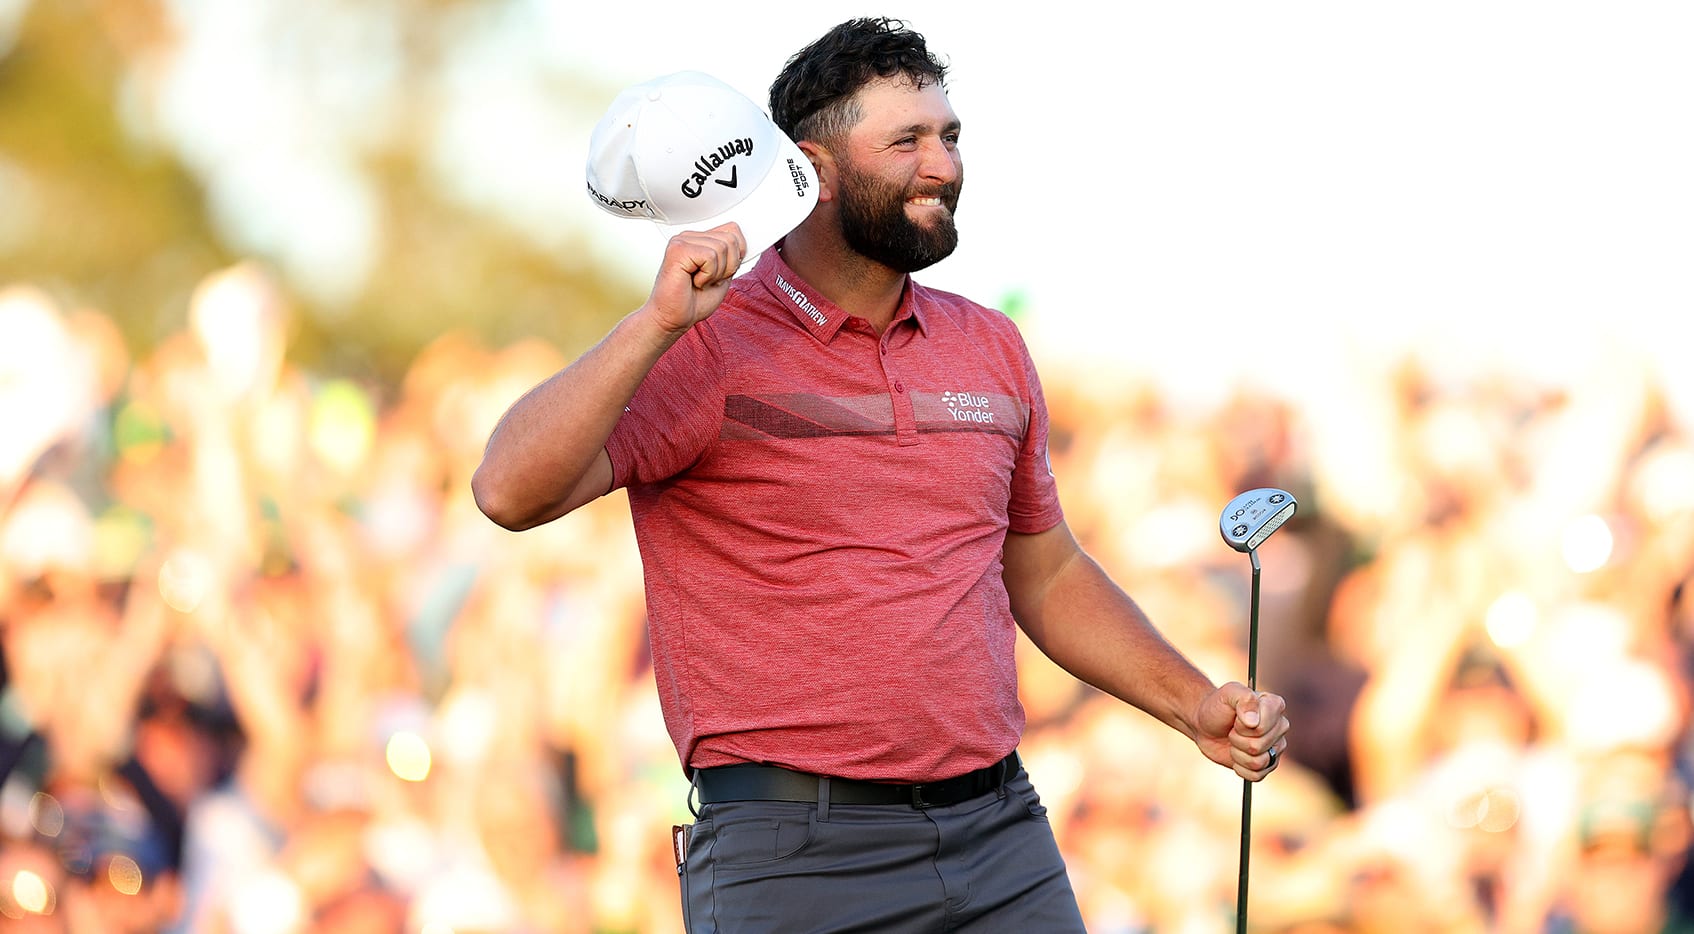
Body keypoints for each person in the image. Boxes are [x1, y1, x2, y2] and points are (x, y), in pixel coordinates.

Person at [472, 16, 1291, 932]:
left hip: (1000, 834)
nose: (942, 164)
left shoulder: (990, 346)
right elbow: (507, 491)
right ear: (813, 170)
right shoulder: (704, 344)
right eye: (906, 141)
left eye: (949, 135)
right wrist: (655, 325)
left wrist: (1195, 708)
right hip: (791, 856)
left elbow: (1047, 572)